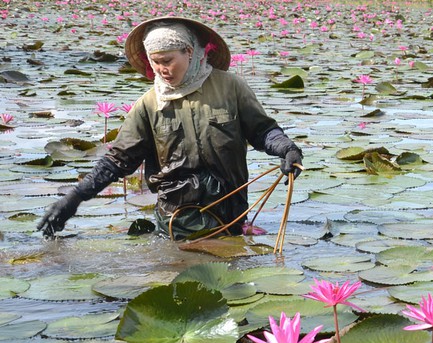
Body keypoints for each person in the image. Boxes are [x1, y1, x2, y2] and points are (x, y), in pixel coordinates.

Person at [37, 17, 303, 239]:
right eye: (155, 62)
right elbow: (117, 161)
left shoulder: (230, 87)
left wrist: (286, 148)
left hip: (229, 214)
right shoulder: (148, 104)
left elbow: (263, 131)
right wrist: (74, 199)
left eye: (167, 60)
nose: (161, 69)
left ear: (190, 52)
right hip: (175, 220)